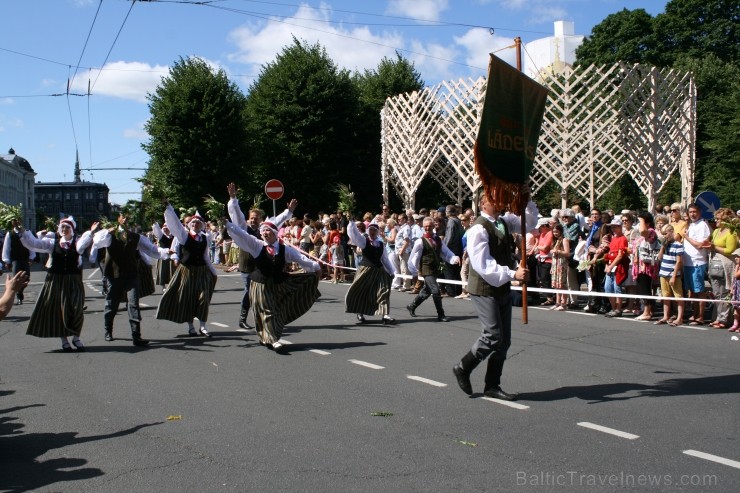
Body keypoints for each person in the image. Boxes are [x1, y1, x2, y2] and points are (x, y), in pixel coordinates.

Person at [451, 189, 537, 401]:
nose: (499, 202)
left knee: (504, 341)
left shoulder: (504, 221)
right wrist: (512, 273)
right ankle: (463, 367)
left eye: (499, 199)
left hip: (501, 287)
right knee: (492, 335)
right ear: (482, 204)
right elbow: (483, 265)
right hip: (484, 288)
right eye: (493, 199)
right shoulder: (478, 228)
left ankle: (492, 384)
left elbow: (530, 222)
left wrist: (526, 199)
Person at [226, 218, 320, 353]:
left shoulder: (284, 249)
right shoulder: (257, 245)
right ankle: (273, 339)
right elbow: (242, 235)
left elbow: (300, 258)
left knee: (275, 311)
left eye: (268, 231)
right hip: (260, 284)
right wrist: (228, 224)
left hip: (277, 284)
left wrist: (315, 266)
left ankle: (266, 337)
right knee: (265, 311)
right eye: (263, 231)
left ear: (275, 233)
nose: (264, 233)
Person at [20, 217, 97, 351]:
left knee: (76, 307)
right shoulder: (52, 243)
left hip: (73, 280)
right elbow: (33, 244)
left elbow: (82, 245)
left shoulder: (77, 243)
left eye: (67, 227)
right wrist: (21, 230)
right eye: (62, 227)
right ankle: (64, 340)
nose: (64, 229)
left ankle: (76, 337)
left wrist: (91, 232)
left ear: (72, 229)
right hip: (56, 280)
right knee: (59, 310)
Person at [93, 213, 169, 346]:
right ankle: (108, 331)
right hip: (114, 275)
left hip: (131, 275)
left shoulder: (136, 237)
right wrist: (108, 230)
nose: (126, 220)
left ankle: (136, 335)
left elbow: (152, 249)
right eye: (123, 217)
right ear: (118, 219)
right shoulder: (109, 235)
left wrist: (167, 252)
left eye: (128, 218)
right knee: (111, 305)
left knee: (133, 304)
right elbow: (97, 242)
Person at [226, 182, 295, 331]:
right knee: (250, 292)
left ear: (262, 219)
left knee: (262, 293)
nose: (253, 220)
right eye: (251, 217)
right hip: (247, 265)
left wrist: (288, 211)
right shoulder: (244, 228)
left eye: (256, 218)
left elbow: (278, 220)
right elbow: (237, 215)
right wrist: (233, 198)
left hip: (262, 267)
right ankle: (243, 318)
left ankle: (263, 317)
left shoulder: (266, 229)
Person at [156, 205, 218, 337]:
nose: (195, 224)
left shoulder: (205, 238)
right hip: (187, 271)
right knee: (188, 298)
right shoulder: (183, 236)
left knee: (204, 298)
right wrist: (168, 208)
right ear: (189, 225)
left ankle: (203, 326)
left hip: (202, 271)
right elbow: (175, 224)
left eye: (198, 222)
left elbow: (206, 256)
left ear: (202, 225)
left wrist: (213, 272)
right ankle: (191, 327)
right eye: (193, 222)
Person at [406, 217, 461, 322]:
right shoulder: (420, 241)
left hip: (436, 268)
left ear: (433, 226)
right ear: (423, 227)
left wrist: (454, 258)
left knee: (427, 291)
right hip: (426, 269)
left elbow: (445, 252)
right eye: (426, 226)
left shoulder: (438, 239)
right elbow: (413, 258)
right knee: (435, 290)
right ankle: (441, 314)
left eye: (430, 226)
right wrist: (414, 271)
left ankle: (411, 306)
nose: (428, 228)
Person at [345, 221, 397, 325]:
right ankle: (360, 312)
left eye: (374, 230)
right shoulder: (364, 241)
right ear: (368, 231)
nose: (372, 232)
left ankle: (385, 315)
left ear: (377, 232)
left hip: (379, 270)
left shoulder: (381, 244)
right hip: (366, 270)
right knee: (362, 291)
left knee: (384, 291)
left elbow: (385, 259)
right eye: (371, 230)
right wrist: (351, 222)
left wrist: (391, 271)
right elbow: (354, 234)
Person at [707, 208, 738, 328]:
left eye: (718, 219)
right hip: (714, 264)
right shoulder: (716, 231)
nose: (716, 221)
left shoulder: (732, 232)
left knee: (724, 292)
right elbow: (712, 245)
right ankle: (718, 316)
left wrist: (714, 247)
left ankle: (724, 319)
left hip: (726, 265)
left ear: (726, 220)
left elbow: (730, 250)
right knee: (716, 293)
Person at [682, 203, 711, 325]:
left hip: (697, 262)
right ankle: (694, 314)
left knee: (699, 290)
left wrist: (686, 237)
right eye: (691, 212)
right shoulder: (690, 225)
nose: (692, 214)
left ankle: (700, 316)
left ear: (699, 212)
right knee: (692, 291)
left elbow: (700, 244)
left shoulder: (703, 225)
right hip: (688, 262)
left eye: (695, 212)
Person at [655, 224, 685, 326]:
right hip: (663, 273)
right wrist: (663, 246)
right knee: (665, 296)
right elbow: (659, 258)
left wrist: (673, 275)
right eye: (663, 234)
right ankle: (665, 316)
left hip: (673, 274)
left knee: (678, 296)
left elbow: (679, 262)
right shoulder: (665, 245)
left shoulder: (678, 245)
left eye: (666, 233)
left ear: (672, 232)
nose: (664, 236)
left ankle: (680, 317)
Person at [2, 219, 34, 305]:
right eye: (14, 221)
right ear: (12, 223)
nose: (16, 223)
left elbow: (32, 244)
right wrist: (7, 261)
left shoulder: (27, 232)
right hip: (15, 259)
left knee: (26, 278)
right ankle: (19, 295)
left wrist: (32, 257)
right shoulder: (10, 234)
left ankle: (21, 291)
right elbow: (7, 248)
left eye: (18, 221)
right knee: (17, 277)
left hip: (25, 258)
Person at [603, 218, 629, 317]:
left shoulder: (623, 239)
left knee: (617, 287)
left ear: (620, 227)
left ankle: (618, 309)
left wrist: (612, 266)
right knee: (607, 288)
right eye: (612, 227)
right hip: (611, 266)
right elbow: (609, 253)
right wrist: (607, 264)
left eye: (615, 227)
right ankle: (614, 308)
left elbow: (620, 255)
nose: (613, 229)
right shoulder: (613, 238)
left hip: (618, 267)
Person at [443, 205, 465, 297]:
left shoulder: (451, 222)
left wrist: (444, 248)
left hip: (451, 250)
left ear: (448, 212)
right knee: (456, 272)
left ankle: (450, 291)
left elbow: (449, 236)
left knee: (449, 271)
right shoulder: (458, 221)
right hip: (458, 249)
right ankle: (458, 290)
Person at [549, 223, 570, 310]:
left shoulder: (564, 240)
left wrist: (557, 251)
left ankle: (563, 303)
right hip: (555, 264)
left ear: (561, 231)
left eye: (557, 232)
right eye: (554, 232)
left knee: (562, 284)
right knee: (557, 285)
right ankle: (557, 302)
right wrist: (551, 267)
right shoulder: (555, 241)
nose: (555, 233)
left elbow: (567, 253)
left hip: (561, 264)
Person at [152, 221, 175, 289]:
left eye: (167, 226)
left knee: (171, 271)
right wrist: (154, 222)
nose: (165, 228)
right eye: (164, 226)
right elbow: (156, 229)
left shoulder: (173, 236)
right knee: (162, 271)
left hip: (171, 256)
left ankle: (170, 285)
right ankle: (163, 286)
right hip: (163, 256)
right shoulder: (161, 236)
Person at [728, 248, 740, 332]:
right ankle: (735, 324)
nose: (736, 258)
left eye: (738, 257)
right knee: (736, 308)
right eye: (735, 256)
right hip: (737, 290)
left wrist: (736, 267)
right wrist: (732, 289)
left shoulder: (737, 267)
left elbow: (736, 276)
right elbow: (734, 280)